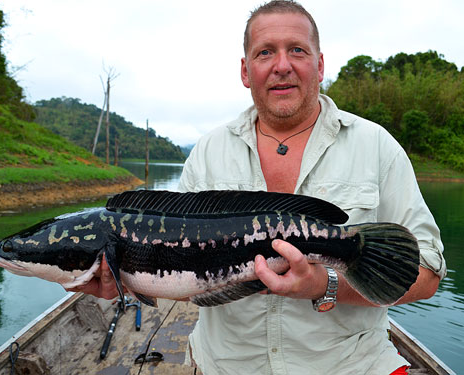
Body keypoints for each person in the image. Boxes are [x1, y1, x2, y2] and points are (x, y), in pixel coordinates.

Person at [70, 1, 446, 374]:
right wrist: (124, 281)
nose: (282, 65)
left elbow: (426, 275)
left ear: (319, 65)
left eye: (297, 50)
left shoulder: (376, 146)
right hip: (226, 365)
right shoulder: (208, 152)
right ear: (246, 71)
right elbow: (170, 261)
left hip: (352, 366)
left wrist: (324, 285)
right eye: (265, 52)